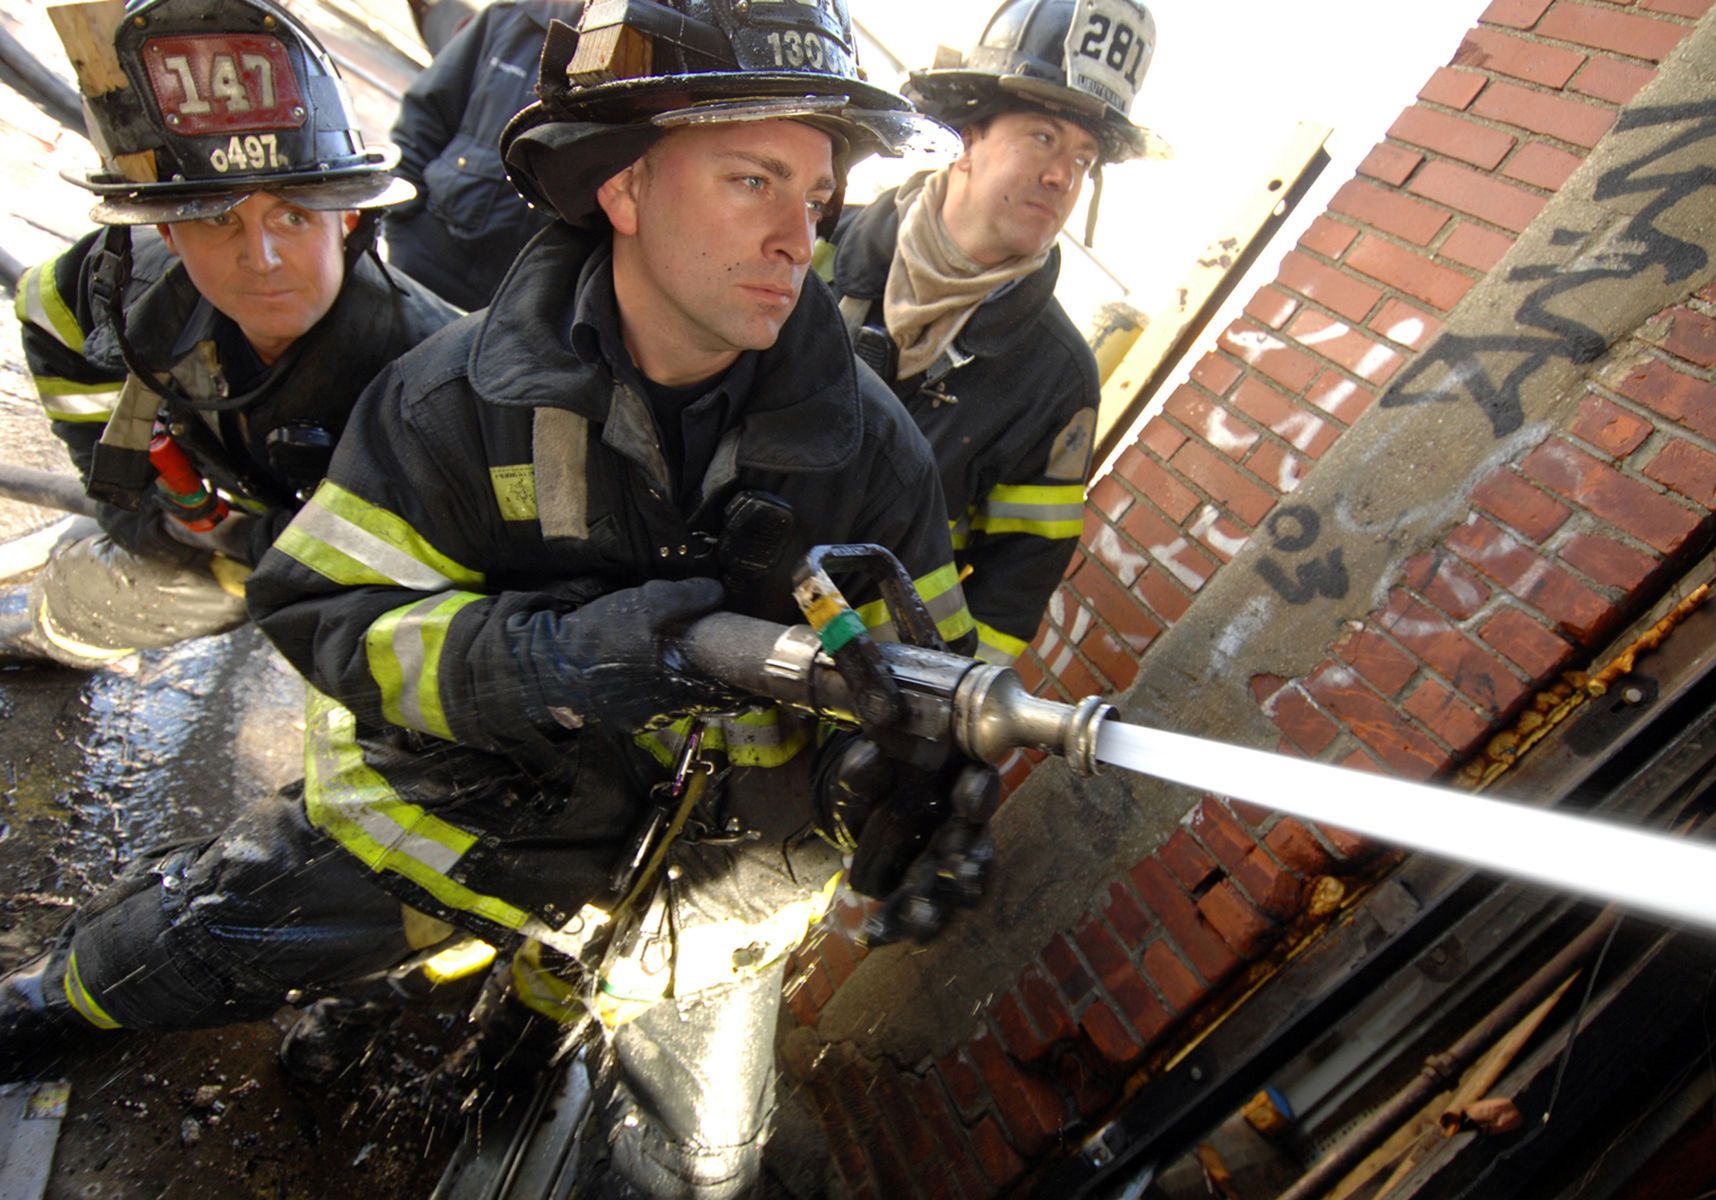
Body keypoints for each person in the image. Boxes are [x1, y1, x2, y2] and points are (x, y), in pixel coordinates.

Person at [0, 0, 990, 1194]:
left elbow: (917, 679)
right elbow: (329, 616)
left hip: (710, 895)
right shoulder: (449, 399)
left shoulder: (872, 453)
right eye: (752, 180)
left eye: (815, 193)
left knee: (706, 1168)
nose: (801, 236)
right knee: (193, 946)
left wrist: (889, 795)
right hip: (461, 819)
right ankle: (48, 1002)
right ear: (623, 186)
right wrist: (560, 663)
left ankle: (523, 1042)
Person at [4, 0, 459, 670]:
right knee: (87, 595)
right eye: (218, 221)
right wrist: (134, 504)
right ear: (166, 233)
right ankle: (54, 638)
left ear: (350, 221)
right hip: (214, 508)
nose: (262, 257)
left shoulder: (430, 376)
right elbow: (46, 315)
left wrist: (237, 550)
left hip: (327, 568)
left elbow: (417, 574)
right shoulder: (117, 285)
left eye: (294, 216)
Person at [819, 0, 1167, 667]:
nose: (1063, 175)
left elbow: (1013, 594)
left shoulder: (1057, 381)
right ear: (966, 137)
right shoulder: (817, 245)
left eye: (1084, 159)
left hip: (836, 696)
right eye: (1042, 136)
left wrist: (933, 722)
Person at [384, 0, 578, 310]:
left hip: (514, 307)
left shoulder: (640, 59)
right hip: (424, 259)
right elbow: (425, 118)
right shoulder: (510, 20)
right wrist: (400, 222)